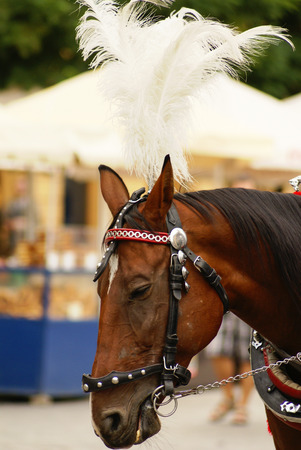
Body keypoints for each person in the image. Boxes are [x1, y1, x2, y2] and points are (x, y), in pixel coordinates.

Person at [206, 175, 256, 425]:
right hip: (224, 295)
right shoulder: (222, 222)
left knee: (250, 355)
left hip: (250, 299)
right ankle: (227, 398)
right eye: (238, 193)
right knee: (218, 350)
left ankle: (243, 406)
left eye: (247, 193)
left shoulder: (260, 224)